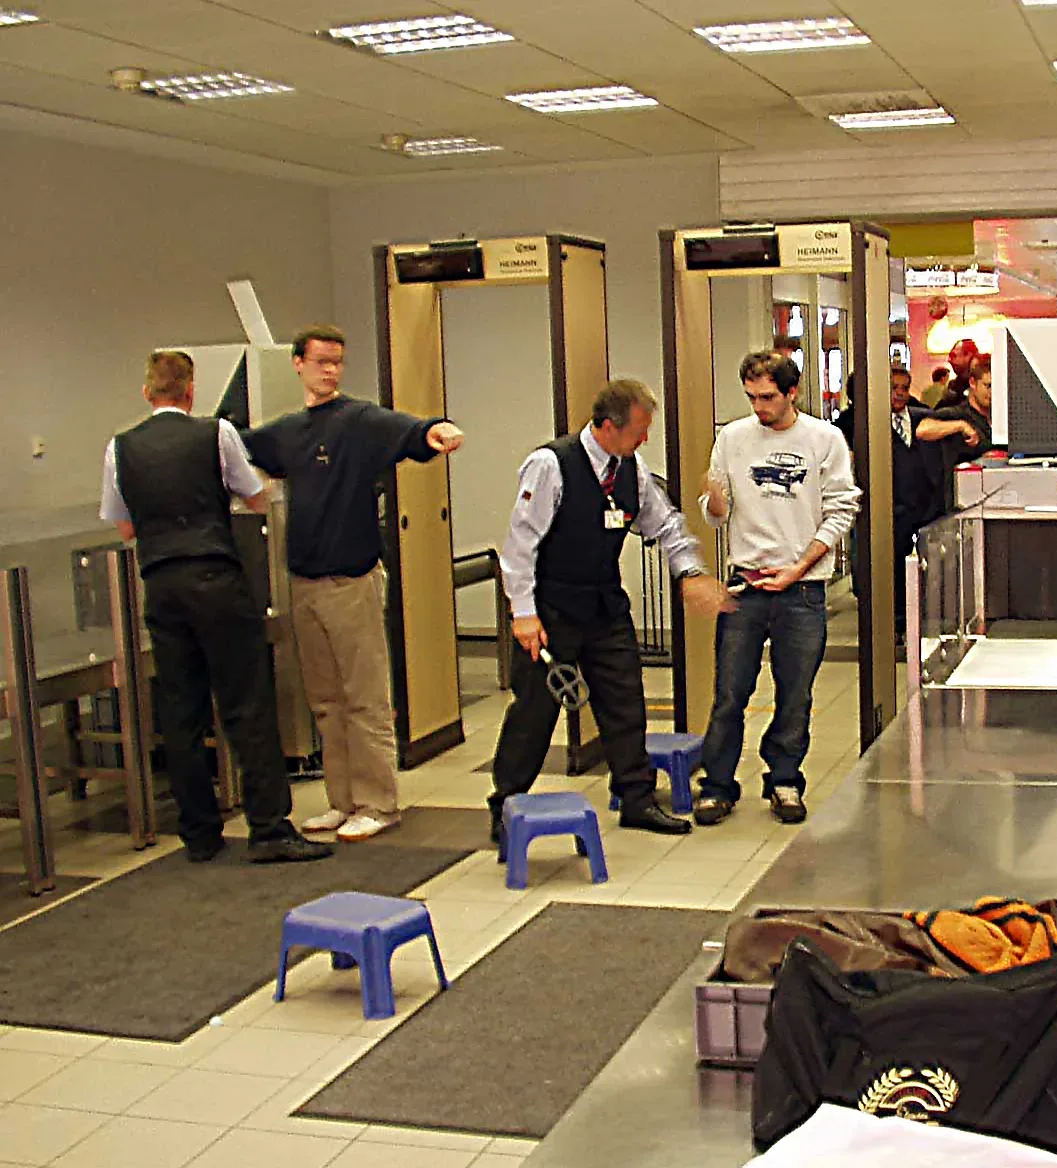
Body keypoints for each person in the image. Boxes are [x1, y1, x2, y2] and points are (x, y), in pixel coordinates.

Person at [100, 351, 332, 865]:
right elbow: (254, 497)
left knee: (181, 709)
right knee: (246, 702)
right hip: (216, 577)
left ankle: (199, 833)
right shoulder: (216, 434)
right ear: (190, 391)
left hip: (160, 583)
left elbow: (124, 527)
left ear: (147, 393)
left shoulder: (121, 448)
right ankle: (268, 827)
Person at [243, 325, 464, 843]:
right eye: (321, 361)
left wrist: (436, 431)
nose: (330, 370)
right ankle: (341, 800)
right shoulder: (288, 432)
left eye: (337, 362)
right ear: (297, 363)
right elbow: (240, 448)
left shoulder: (358, 420)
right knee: (325, 699)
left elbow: (409, 432)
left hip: (353, 579)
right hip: (305, 582)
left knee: (364, 697)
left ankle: (378, 802)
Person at [487, 379, 729, 841]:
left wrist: (691, 573)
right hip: (549, 610)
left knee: (624, 705)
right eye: (639, 429)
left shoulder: (630, 469)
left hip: (603, 606)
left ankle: (636, 799)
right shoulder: (550, 466)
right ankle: (505, 805)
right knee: (534, 714)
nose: (645, 439)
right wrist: (523, 614)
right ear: (607, 426)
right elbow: (519, 549)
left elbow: (668, 525)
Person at [695, 352, 860, 827]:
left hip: (802, 588)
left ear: (792, 393)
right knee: (730, 692)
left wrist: (798, 567)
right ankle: (718, 785)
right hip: (745, 583)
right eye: (751, 397)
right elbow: (715, 511)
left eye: (767, 397)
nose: (759, 407)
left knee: (796, 693)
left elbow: (841, 511)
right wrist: (716, 502)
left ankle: (784, 779)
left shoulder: (824, 439)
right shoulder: (732, 437)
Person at [888, 366, 943, 637]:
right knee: (895, 568)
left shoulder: (922, 418)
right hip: (892, 509)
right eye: (894, 388)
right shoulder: (869, 423)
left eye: (904, 388)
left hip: (923, 506)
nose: (899, 393)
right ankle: (898, 622)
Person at [917, 352, 995, 511]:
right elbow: (923, 429)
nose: (992, 393)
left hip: (994, 501)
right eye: (988, 386)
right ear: (973, 383)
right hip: (960, 505)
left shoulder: (1003, 419)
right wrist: (960, 425)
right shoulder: (957, 413)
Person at [938, 339, 981, 407]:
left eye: (953, 355)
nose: (949, 360)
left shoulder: (982, 383)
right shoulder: (954, 385)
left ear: (968, 355)